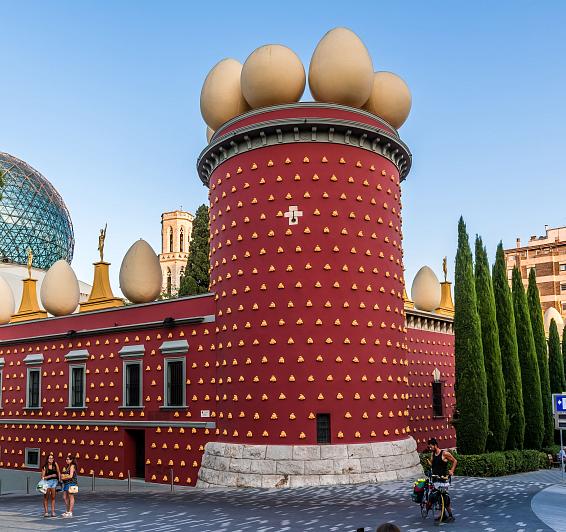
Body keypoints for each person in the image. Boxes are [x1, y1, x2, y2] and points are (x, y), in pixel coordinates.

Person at [427, 437, 457, 523]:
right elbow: (433, 464)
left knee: (445, 497)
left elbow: (454, 461)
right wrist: (430, 463)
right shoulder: (432, 454)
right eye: (429, 447)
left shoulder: (444, 454)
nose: (430, 448)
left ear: (435, 445)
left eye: (431, 447)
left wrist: (452, 470)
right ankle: (443, 515)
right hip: (435, 479)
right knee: (436, 497)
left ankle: (450, 515)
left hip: (443, 479)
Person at [41, 453, 60, 517]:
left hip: (54, 482)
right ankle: (46, 512)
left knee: (53, 497)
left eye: (52, 458)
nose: (51, 459)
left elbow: (58, 472)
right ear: (47, 459)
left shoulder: (55, 464)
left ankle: (53, 512)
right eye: (50, 458)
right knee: (46, 497)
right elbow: (43, 477)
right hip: (47, 482)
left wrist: (59, 480)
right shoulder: (45, 466)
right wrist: (51, 476)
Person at [61, 454, 78, 518]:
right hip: (67, 483)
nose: (66, 460)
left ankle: (70, 512)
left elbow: (71, 476)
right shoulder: (68, 466)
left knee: (71, 496)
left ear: (71, 460)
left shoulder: (72, 466)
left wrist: (63, 477)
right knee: (65, 497)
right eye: (66, 459)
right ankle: (67, 511)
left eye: (68, 459)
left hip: (72, 483)